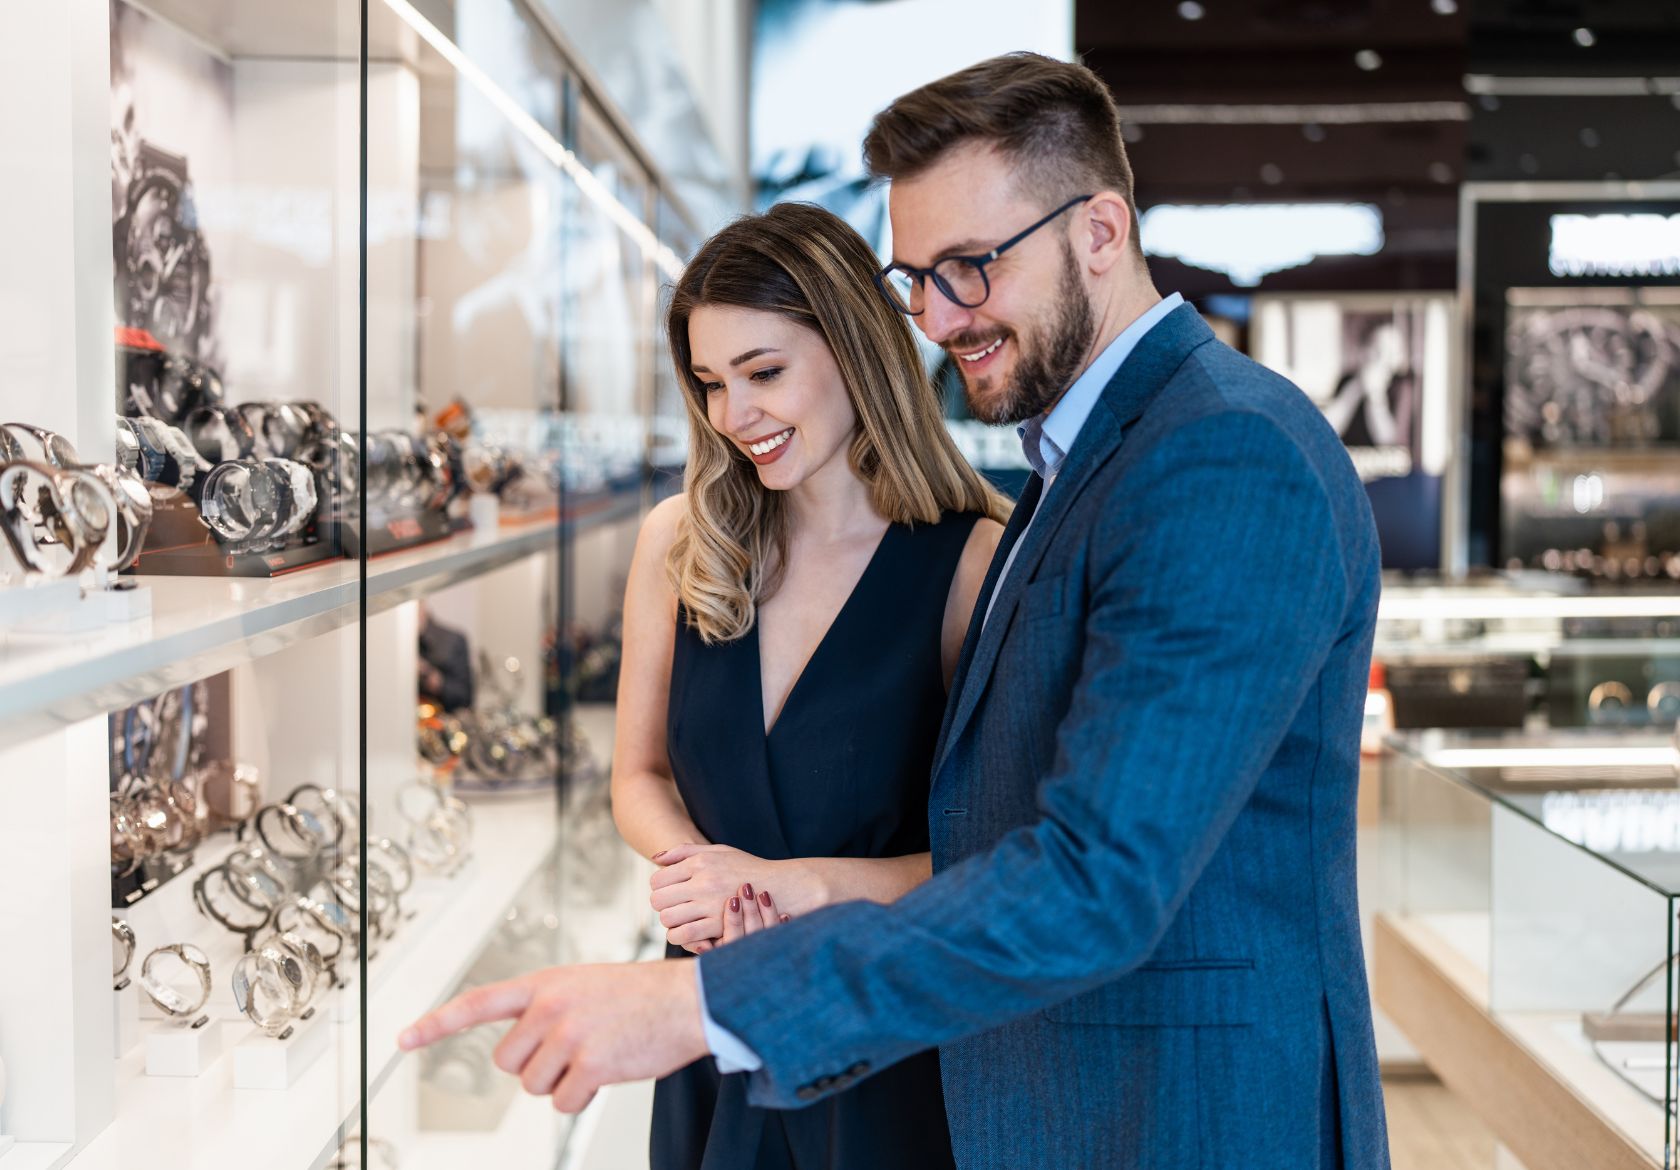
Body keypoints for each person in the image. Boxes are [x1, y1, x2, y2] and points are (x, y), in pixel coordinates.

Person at [401, 52, 1390, 1170]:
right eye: (916, 276)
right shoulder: (1085, 460)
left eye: (969, 267)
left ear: (1101, 231)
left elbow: (1094, 881)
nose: (936, 316)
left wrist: (706, 1004)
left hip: (1180, 1121)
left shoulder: (1221, 454)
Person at [608, 200, 1006, 1168]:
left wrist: (791, 889)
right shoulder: (680, 543)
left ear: (856, 351)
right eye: (710, 383)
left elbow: (999, 860)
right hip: (712, 1013)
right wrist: (701, 877)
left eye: (764, 373)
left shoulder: (971, 563)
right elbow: (638, 775)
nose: (732, 416)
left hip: (883, 1039)